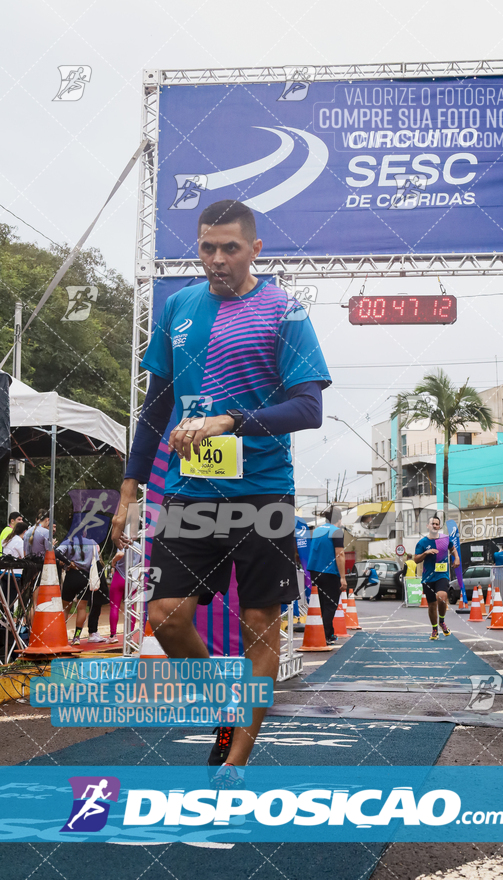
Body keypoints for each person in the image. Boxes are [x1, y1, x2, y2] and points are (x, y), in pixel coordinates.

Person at [112, 199, 331, 788]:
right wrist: (129, 489)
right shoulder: (179, 305)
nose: (216, 259)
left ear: (255, 249)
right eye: (207, 247)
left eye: (230, 248)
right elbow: (156, 408)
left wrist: (229, 420)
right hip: (190, 495)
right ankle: (227, 704)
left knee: (261, 625)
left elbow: (308, 408)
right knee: (164, 616)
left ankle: (234, 765)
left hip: (262, 494)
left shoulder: (285, 311)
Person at [414, 514, 460, 640]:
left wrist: (456, 557)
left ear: (439, 526)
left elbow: (453, 548)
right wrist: (425, 553)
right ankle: (434, 629)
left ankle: (442, 621)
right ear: (428, 526)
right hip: (428, 578)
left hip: (442, 574)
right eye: (432, 523)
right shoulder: (422, 542)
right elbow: (416, 559)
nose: (434, 525)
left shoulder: (445, 538)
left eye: (437, 524)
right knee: (432, 605)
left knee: (442, 597)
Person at [307, 507, 347, 644]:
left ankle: (329, 634)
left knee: (322, 604)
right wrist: (343, 577)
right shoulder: (337, 531)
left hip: (314, 571)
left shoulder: (317, 530)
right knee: (330, 604)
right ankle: (324, 635)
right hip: (329, 572)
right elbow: (340, 554)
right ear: (339, 519)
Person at [58, 532, 100, 644]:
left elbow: (56, 552)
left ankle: (61, 635)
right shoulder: (92, 543)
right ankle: (76, 637)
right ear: (85, 532)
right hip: (85, 577)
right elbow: (97, 557)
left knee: (65, 608)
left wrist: (67, 562)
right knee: (81, 608)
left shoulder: (68, 542)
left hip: (71, 575)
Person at [108, 543, 141, 643]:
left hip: (119, 577)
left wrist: (113, 562)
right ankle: (130, 636)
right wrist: (138, 577)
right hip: (132, 579)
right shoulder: (139, 546)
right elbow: (144, 563)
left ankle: (113, 635)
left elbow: (120, 555)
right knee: (131, 607)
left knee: (114, 607)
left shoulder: (122, 543)